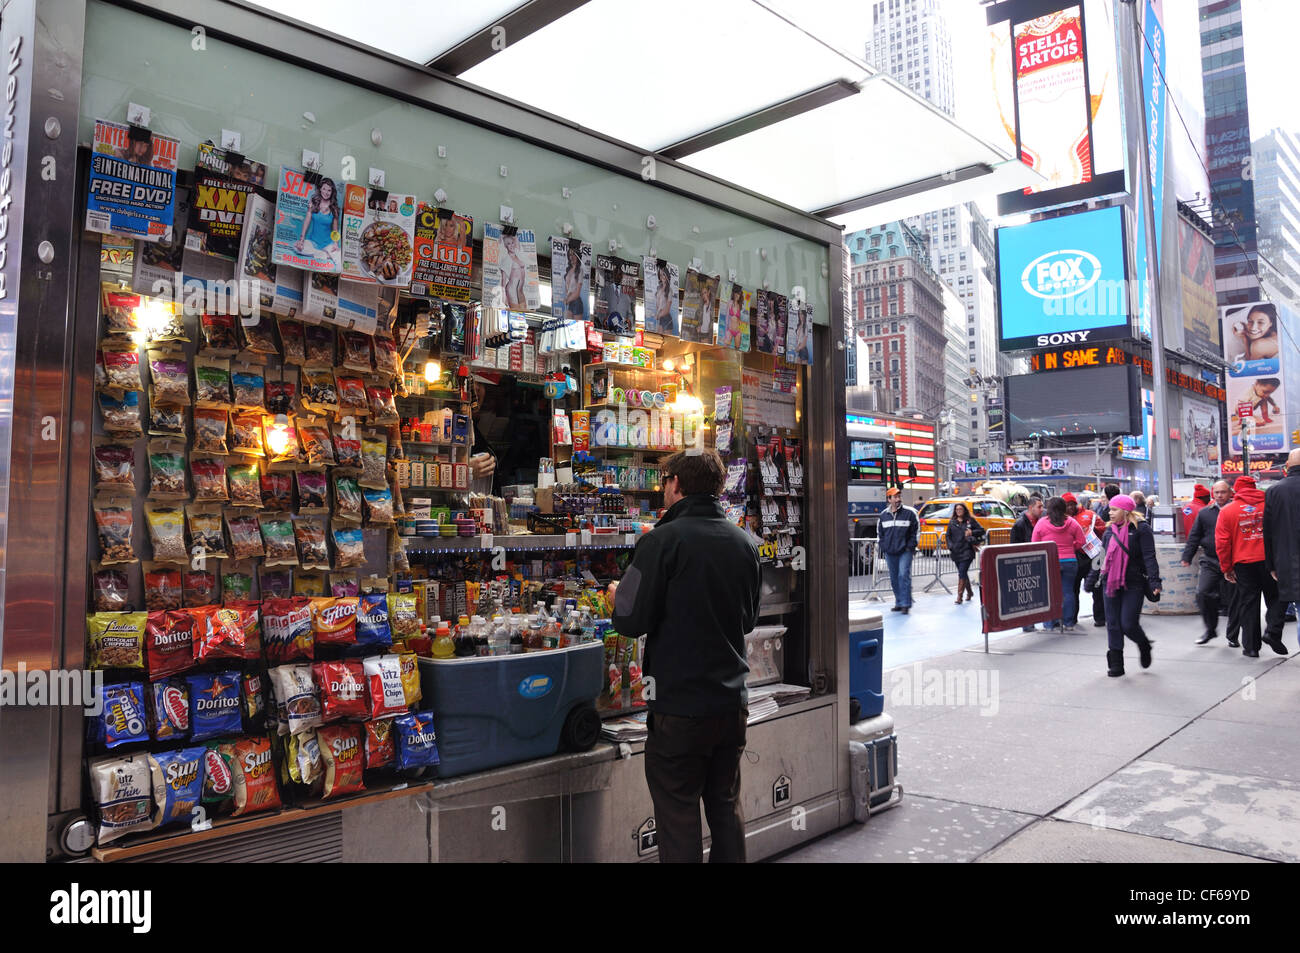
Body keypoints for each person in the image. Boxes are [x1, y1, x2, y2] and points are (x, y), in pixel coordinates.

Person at [611, 449, 760, 864]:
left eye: (664, 482)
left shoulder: (660, 541)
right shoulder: (745, 542)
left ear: (676, 483)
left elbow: (629, 620)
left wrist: (616, 597)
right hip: (731, 706)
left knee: (678, 815)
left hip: (679, 709)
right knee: (726, 808)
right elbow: (747, 621)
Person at [1215, 475, 1288, 658]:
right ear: (1255, 487)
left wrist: (1226, 568)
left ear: (1236, 490)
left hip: (1243, 563)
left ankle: (1251, 647)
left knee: (1249, 604)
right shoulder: (1269, 507)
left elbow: (1222, 543)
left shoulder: (1227, 511)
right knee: (1277, 597)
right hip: (1270, 561)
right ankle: (1272, 631)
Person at [1098, 495, 1161, 676]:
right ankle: (1116, 664)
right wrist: (1091, 579)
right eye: (1110, 509)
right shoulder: (1109, 531)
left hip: (1133, 583)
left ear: (1126, 511)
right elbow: (1101, 558)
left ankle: (1144, 644)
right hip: (1110, 582)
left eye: (1114, 509)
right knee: (1113, 624)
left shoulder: (1141, 529)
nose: (1110, 513)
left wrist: (1155, 581)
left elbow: (1149, 556)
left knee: (1128, 623)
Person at [1182, 480, 1240, 646]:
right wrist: (1187, 556)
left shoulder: (1236, 510)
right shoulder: (1205, 513)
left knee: (1234, 600)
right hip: (1211, 559)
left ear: (1230, 493)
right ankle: (1210, 629)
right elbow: (1195, 535)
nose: (1220, 495)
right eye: (1217, 492)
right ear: (1212, 494)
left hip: (1233, 560)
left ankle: (1232, 635)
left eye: (1223, 492)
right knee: (1203, 593)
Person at [1033, 497, 1086, 631]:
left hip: (1050, 561)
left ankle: (1049, 623)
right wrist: (1070, 547)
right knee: (1068, 592)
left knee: (1049, 592)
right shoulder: (1072, 522)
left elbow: (1035, 543)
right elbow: (1082, 541)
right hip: (1070, 561)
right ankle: (1068, 623)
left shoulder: (1041, 523)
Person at [1263, 447, 1300, 638]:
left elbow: (1267, 533)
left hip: (1286, 561)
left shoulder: (1274, 491)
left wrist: (1271, 565)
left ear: (1286, 466)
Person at [877, 487, 920, 614]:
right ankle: (899, 602)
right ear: (889, 499)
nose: (898, 499)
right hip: (890, 552)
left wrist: (910, 547)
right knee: (894, 578)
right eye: (895, 497)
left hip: (905, 551)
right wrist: (884, 547)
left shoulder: (910, 513)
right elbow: (880, 534)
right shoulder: (883, 515)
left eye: (899, 496)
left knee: (903, 575)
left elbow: (916, 531)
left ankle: (906, 604)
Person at [1065, 493, 1099, 628]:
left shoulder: (1089, 514)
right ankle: (1072, 618)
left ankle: (1100, 617)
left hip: (1092, 556)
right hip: (1074, 557)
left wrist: (1094, 531)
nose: (1069, 508)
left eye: (1071, 505)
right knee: (1073, 590)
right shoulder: (1062, 519)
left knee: (1096, 587)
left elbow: (1102, 529)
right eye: (1066, 505)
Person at [1011, 494, 1044, 631]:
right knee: (1027, 595)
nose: (1042, 509)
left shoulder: (1039, 522)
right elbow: (1013, 545)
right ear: (1030, 508)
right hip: (1024, 563)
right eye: (1039, 506)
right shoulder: (1020, 524)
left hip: (1036, 561)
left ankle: (1033, 621)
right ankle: (1027, 623)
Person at [1089, 484, 1120, 627]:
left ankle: (1105, 616)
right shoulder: (1104, 512)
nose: (1111, 514)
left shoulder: (1107, 514)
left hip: (1106, 556)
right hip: (1104, 556)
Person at [946, 502, 985, 605]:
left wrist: (972, 532)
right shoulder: (952, 522)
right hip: (956, 551)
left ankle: (959, 596)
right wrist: (950, 546)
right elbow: (948, 536)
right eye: (957, 509)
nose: (959, 511)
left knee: (962, 572)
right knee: (962, 573)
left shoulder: (970, 521)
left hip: (967, 550)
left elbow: (981, 530)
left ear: (964, 510)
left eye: (960, 509)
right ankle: (970, 592)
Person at [294, 177, 340, 260]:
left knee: (338, 255)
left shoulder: (334, 208)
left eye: (329, 190)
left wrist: (336, 243)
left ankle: (325, 253)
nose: (326, 192)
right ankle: (324, 255)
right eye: (324, 189)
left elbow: (335, 229)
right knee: (296, 248)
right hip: (313, 242)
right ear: (320, 189)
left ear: (332, 192)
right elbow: (307, 221)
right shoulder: (314, 202)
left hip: (327, 244)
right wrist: (302, 239)